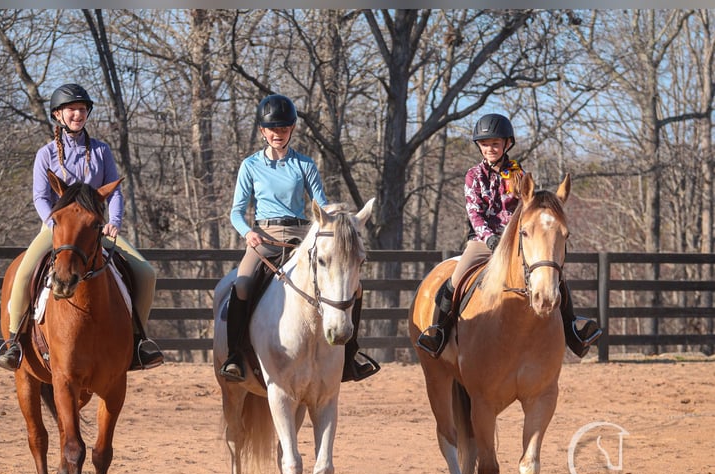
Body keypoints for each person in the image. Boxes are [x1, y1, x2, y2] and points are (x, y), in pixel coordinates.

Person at [0, 83, 164, 372]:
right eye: (72, 109)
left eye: (82, 109)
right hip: (57, 229)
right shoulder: (45, 154)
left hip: (96, 230)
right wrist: (54, 223)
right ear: (58, 115)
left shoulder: (101, 150)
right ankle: (14, 342)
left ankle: (137, 340)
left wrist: (115, 222)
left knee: (146, 273)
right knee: (22, 273)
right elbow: (40, 196)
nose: (78, 114)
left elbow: (115, 191)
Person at [220, 93, 379, 383]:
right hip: (265, 237)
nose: (277, 134)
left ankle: (350, 355)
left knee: (354, 289)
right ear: (262, 131)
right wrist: (248, 233)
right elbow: (236, 212)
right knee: (242, 283)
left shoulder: (304, 164)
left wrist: (342, 219)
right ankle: (235, 355)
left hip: (301, 236)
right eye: (272, 129)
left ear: (291, 129)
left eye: (283, 129)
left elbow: (323, 204)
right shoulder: (250, 166)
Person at [417, 112, 602, 358]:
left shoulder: (519, 175)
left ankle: (573, 332)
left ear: (507, 144)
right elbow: (474, 213)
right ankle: (439, 331)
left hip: (516, 241)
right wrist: (489, 237)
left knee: (553, 276)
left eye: (495, 143)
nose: (490, 148)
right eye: (485, 144)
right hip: (483, 241)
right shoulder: (474, 176)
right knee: (455, 280)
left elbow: (527, 210)